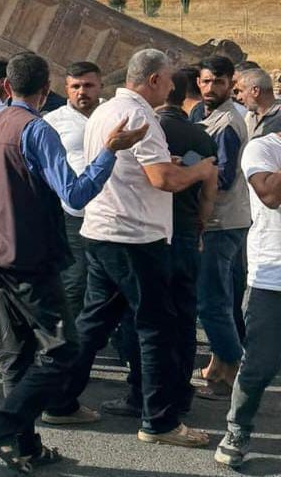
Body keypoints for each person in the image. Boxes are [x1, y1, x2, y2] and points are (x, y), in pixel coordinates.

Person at [0, 52, 145, 471]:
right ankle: (2, 425)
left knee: (16, 356)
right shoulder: (36, 130)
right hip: (31, 259)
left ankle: (25, 447)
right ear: (46, 91)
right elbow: (74, 195)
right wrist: (109, 151)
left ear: (6, 86)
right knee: (63, 349)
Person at [58, 48, 216, 448]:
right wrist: (199, 170)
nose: (172, 86)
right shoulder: (141, 115)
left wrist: (169, 162)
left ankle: (60, 400)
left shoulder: (104, 111)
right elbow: (163, 179)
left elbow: (137, 167)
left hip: (103, 230)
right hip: (134, 237)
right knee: (155, 327)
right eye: (167, 79)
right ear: (152, 81)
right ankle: (159, 422)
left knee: (93, 324)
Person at [103, 68, 217, 421]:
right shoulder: (202, 137)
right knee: (183, 316)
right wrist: (201, 223)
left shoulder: (144, 128)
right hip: (185, 232)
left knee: (143, 317)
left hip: (149, 232)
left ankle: (140, 392)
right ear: (184, 96)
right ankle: (180, 392)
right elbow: (211, 189)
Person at [213, 131, 281, 467]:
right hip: (272, 279)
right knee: (259, 364)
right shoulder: (263, 148)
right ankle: (237, 430)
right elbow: (270, 194)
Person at [193, 55, 253, 399]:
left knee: (212, 301)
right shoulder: (206, 115)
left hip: (220, 222)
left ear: (231, 83)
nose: (210, 88)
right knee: (219, 297)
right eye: (205, 81)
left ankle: (232, 369)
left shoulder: (228, 121)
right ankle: (218, 365)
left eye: (217, 82)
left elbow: (225, 178)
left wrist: (191, 171)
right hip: (218, 221)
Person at [42, 61, 103, 322]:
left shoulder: (112, 115)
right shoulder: (52, 122)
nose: (82, 92)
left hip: (109, 213)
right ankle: (66, 340)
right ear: (66, 89)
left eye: (88, 85)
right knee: (74, 279)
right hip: (71, 214)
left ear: (100, 86)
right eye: (75, 86)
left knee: (107, 281)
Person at [238, 67, 281, 138]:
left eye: (241, 91)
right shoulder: (251, 116)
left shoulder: (278, 116)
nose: (239, 97)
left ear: (255, 91)